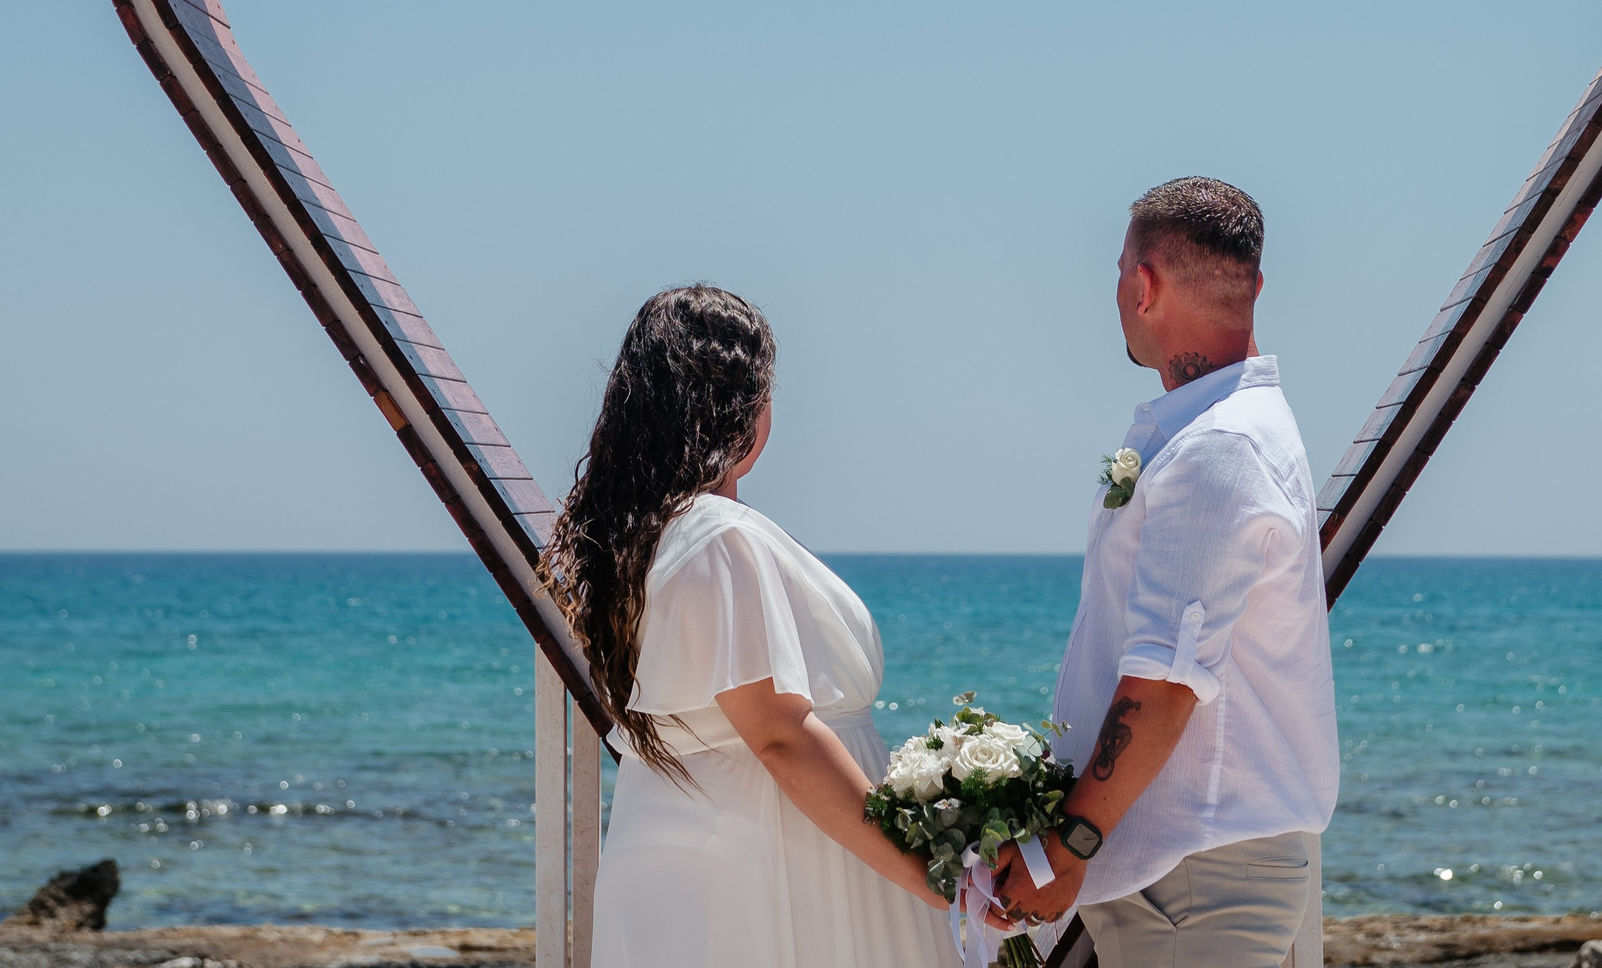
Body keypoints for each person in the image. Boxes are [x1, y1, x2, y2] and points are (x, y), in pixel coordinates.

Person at [543, 285, 953, 968]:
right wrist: (923, 870)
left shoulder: (638, 542)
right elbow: (778, 733)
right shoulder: (717, 538)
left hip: (679, 853)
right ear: (746, 414)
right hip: (778, 864)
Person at [993, 177, 1340, 968]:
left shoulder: (1219, 447)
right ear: (1254, 283)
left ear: (1143, 284)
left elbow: (1165, 679)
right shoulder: (1225, 430)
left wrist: (1068, 842)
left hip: (1197, 884)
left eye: (1119, 270)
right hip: (1189, 879)